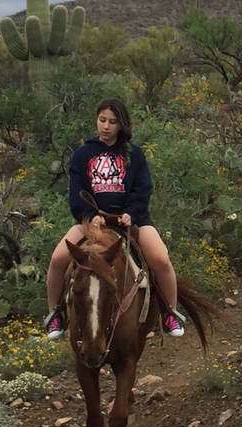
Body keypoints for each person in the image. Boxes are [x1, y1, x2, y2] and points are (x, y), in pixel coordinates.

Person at [43, 98, 186, 340]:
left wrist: (132, 213)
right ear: (96, 121)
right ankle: (55, 313)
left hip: (131, 220)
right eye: (102, 120)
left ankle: (170, 312)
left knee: (160, 259)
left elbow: (143, 188)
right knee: (58, 259)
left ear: (121, 125)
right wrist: (90, 216)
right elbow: (77, 192)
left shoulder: (135, 154)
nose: (106, 126)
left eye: (112, 122)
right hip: (92, 222)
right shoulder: (82, 154)